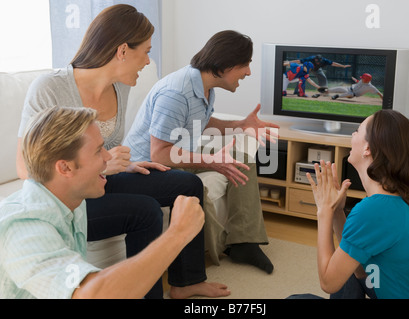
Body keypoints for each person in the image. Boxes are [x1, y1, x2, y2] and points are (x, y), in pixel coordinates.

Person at [15, 4, 229, 299]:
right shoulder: (49, 88)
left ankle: (185, 282)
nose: (147, 61)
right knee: (145, 211)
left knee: (188, 183)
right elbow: (26, 169)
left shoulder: (120, 87)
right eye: (146, 51)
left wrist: (125, 165)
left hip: (98, 179)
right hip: (66, 197)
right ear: (123, 51)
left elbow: (103, 151)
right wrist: (103, 166)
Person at [0, 106, 206, 299]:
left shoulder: (69, 199)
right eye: (99, 150)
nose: (108, 156)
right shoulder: (24, 228)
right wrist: (177, 233)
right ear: (64, 168)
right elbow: (91, 293)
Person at [124, 30, 280, 274]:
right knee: (199, 179)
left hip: (178, 150)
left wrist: (239, 125)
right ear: (226, 64)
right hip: (146, 166)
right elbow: (159, 154)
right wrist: (211, 160)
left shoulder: (205, 86)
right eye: (245, 64)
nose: (248, 72)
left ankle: (244, 242)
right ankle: (213, 249)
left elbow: (201, 121)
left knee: (241, 159)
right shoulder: (176, 92)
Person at [299, 109, 409, 299]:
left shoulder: (374, 210)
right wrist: (337, 211)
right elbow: (361, 271)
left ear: (367, 148)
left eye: (358, 130)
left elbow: (328, 282)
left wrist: (324, 211)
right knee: (347, 269)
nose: (353, 135)